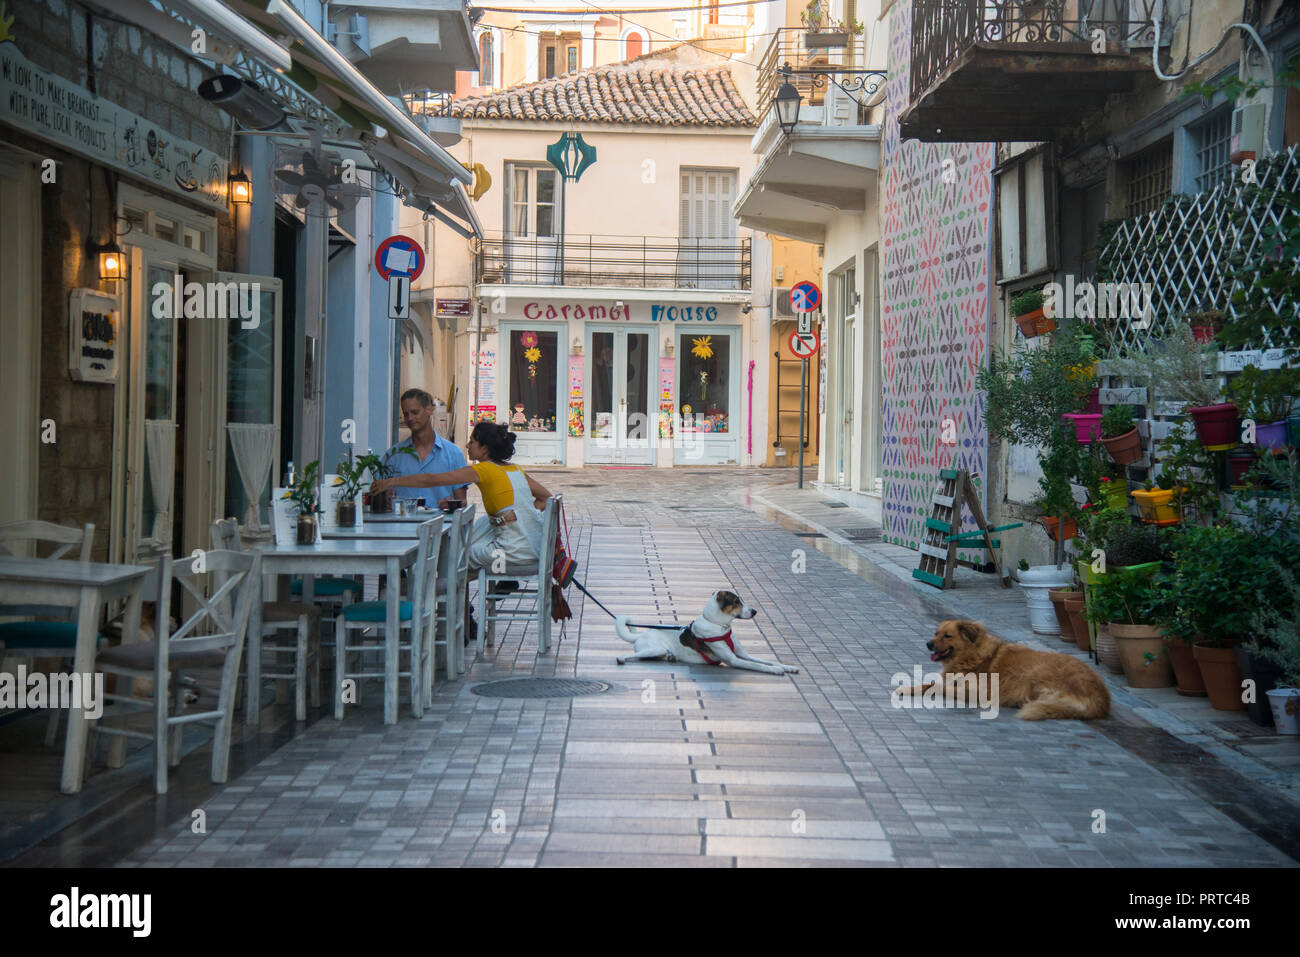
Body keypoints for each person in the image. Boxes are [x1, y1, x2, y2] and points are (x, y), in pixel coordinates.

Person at [370, 422, 555, 641]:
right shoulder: (515, 469)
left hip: (509, 555)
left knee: (453, 560)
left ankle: (421, 598)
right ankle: (441, 603)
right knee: (474, 538)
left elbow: (432, 479)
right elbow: (546, 497)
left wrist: (390, 482)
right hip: (532, 551)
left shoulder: (483, 470)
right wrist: (515, 517)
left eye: (473, 441)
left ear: (484, 449)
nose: (467, 445)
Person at [383, 389, 469, 510]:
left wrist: (451, 504)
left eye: (415, 412)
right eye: (406, 414)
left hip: (442, 526)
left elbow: (462, 501)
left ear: (429, 409)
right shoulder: (393, 456)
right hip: (403, 526)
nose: (410, 418)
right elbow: (380, 493)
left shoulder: (453, 454)